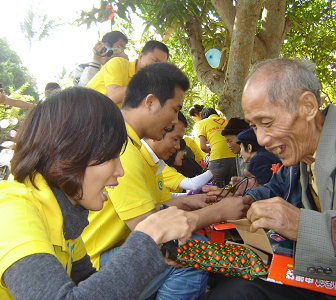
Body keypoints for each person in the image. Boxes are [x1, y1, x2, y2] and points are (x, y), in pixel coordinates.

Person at [203, 58, 336, 300]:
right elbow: (274, 189)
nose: (262, 139)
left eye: (267, 122)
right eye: (254, 126)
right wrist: (240, 202)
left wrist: (302, 226)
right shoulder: (299, 156)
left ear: (308, 106)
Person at [0, 87, 198, 300]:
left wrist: (154, 257)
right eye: (111, 156)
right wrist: (146, 242)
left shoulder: (66, 216)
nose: (120, 171)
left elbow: (86, 280)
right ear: (71, 152)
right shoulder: (11, 210)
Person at [82, 62, 252, 300]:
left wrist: (188, 203)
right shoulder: (122, 149)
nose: (174, 121)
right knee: (192, 251)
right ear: (150, 102)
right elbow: (152, 231)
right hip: (99, 263)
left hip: (117, 249)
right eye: (174, 109)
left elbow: (156, 209)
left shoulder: (133, 147)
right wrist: (218, 212)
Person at [86, 40, 168, 107]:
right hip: (83, 112)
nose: (158, 67)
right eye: (155, 61)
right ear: (141, 57)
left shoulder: (150, 85)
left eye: (162, 65)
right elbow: (113, 96)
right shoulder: (118, 63)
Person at [161, 116, 213, 194]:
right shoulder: (162, 168)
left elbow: (170, 196)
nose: (177, 146)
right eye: (175, 139)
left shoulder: (173, 168)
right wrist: (211, 173)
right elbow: (192, 184)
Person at [197, 107, 237, 187]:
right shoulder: (227, 120)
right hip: (235, 159)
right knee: (232, 188)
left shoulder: (203, 122)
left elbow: (203, 147)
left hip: (217, 159)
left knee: (214, 190)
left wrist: (211, 152)